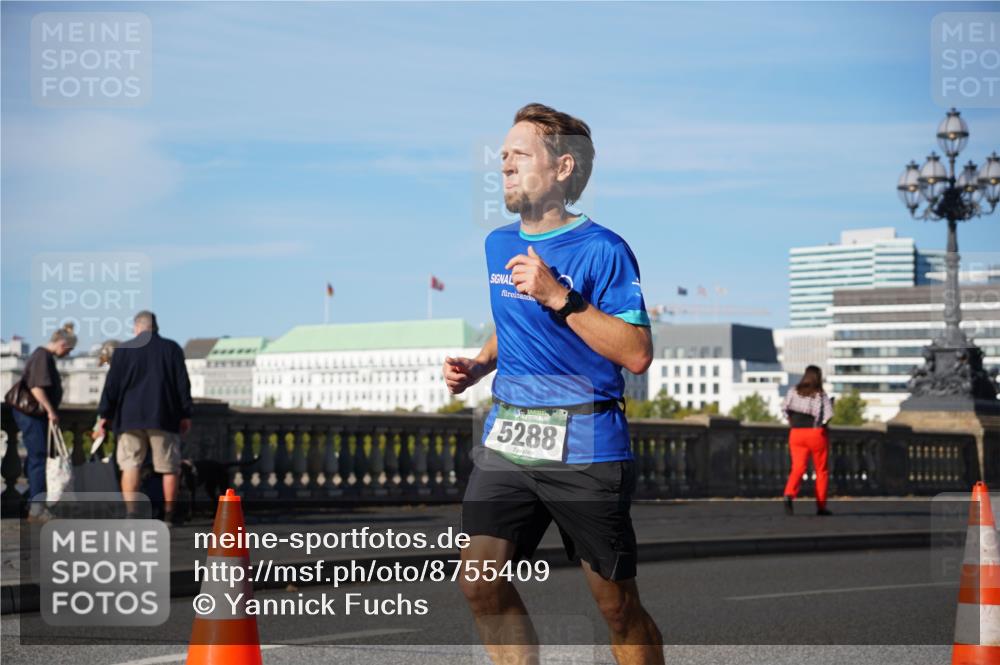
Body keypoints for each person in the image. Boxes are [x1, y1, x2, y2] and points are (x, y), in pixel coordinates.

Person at [443, 103, 663, 665]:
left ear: (563, 167)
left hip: (587, 442)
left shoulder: (603, 249)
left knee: (616, 607)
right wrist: (479, 365)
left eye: (519, 154)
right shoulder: (498, 243)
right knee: (477, 581)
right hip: (509, 437)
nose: (504, 164)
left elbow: (636, 353)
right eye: (503, 156)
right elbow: (510, 319)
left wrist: (561, 297)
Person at [94, 311, 193, 523]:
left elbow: (111, 387)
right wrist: (186, 413)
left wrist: (105, 414)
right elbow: (182, 384)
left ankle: (131, 513)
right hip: (163, 416)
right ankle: (169, 514)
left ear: (137, 327)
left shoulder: (123, 351)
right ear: (155, 327)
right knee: (169, 467)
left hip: (129, 417)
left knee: (130, 464)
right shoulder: (172, 348)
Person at [12, 324, 77, 522]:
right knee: (38, 458)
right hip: (32, 414)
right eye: (69, 349)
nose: (67, 354)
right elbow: (37, 388)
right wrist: (51, 411)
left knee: (37, 459)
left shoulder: (42, 356)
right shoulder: (43, 357)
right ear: (63, 343)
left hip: (31, 414)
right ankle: (37, 508)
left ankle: (34, 503)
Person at [781, 364, 834, 516]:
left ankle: (788, 494)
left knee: (798, 468)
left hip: (796, 433)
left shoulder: (793, 391)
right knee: (821, 471)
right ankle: (821, 506)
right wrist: (819, 424)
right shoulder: (819, 395)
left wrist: (791, 421)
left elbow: (784, 408)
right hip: (815, 434)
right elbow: (827, 415)